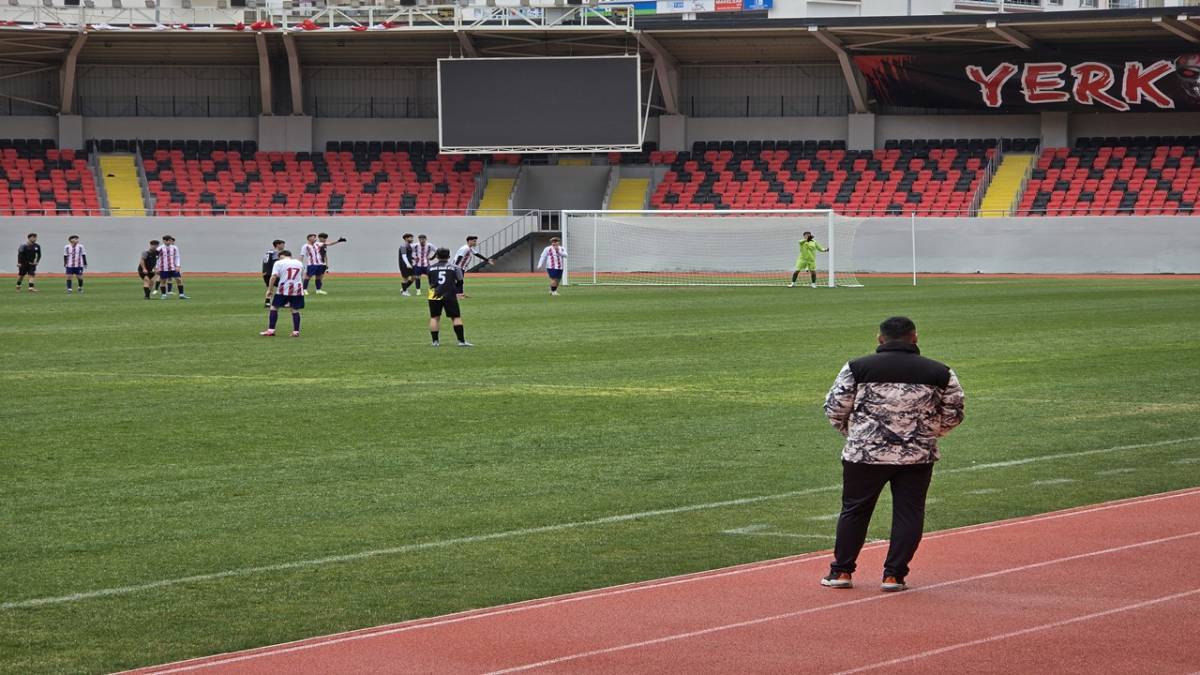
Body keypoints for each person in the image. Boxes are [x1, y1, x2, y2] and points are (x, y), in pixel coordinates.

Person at [821, 316, 965, 593]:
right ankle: (894, 576)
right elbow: (954, 413)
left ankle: (841, 571)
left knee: (855, 510)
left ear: (880, 339)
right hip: (916, 455)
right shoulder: (940, 371)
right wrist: (929, 434)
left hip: (865, 454)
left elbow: (835, 407)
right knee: (909, 512)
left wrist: (855, 433)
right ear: (915, 338)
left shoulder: (857, 367)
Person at [426, 247, 472, 347]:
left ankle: (435, 342)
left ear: (437, 256)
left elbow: (431, 282)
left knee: (434, 318)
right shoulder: (455, 267)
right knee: (456, 317)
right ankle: (461, 341)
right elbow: (460, 281)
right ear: (449, 256)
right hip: (449, 295)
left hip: (434, 295)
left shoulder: (430, 268)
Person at [262, 250, 305, 337]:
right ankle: (296, 332)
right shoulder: (299, 263)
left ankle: (271, 330)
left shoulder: (279, 263)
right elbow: (302, 276)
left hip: (284, 289)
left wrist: (270, 290)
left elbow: (273, 276)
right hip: (297, 289)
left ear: (281, 256)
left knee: (274, 307)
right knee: (295, 309)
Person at [157, 235, 189, 300]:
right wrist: (157, 267)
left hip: (173, 267)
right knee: (163, 281)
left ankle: (181, 295)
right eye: (168, 240)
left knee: (179, 279)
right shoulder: (159, 249)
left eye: (170, 240)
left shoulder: (175, 248)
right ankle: (163, 295)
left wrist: (178, 265)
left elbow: (177, 257)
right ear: (164, 241)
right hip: (163, 268)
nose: (169, 242)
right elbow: (157, 259)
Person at [262, 239, 285, 307]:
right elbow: (275, 262)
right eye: (282, 244)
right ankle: (282, 302)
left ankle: (267, 302)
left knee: (270, 287)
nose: (283, 246)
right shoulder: (276, 252)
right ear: (278, 245)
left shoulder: (268, 252)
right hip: (272, 273)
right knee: (283, 286)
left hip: (265, 273)